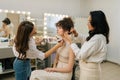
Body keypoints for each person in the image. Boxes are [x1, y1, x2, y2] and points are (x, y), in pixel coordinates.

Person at [63, 10, 110, 80]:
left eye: (89, 21)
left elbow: (80, 55)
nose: (87, 24)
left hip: (90, 73)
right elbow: (86, 39)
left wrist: (71, 42)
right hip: (86, 70)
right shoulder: (96, 36)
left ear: (96, 23)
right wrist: (76, 34)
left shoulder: (97, 38)